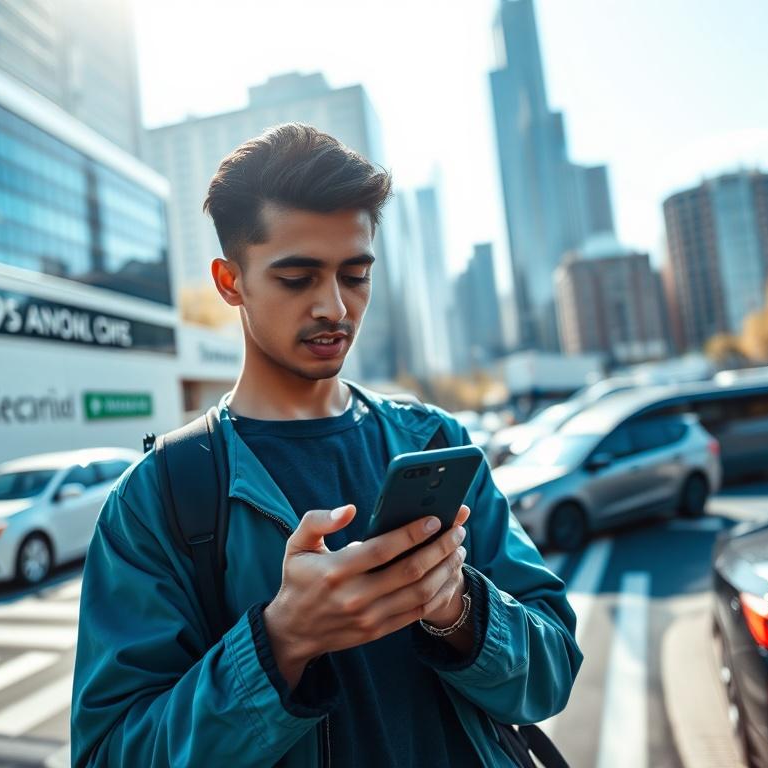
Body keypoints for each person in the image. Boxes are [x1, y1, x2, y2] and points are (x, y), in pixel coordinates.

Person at [71, 123, 581, 767]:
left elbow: (553, 671)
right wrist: (280, 643)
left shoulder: (436, 441)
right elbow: (109, 755)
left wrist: (458, 609)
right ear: (230, 282)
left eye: (355, 275)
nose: (335, 308)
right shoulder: (159, 496)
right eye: (297, 278)